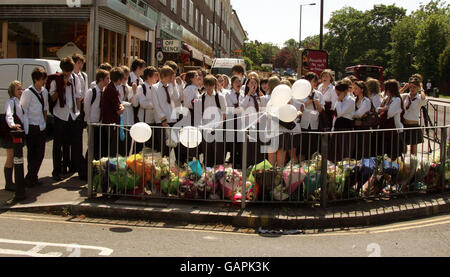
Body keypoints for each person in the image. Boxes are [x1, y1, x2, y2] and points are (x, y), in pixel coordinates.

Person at [48, 57, 82, 181]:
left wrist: (78, 113)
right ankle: (56, 170)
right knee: (58, 145)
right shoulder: (56, 80)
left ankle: (71, 167)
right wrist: (61, 85)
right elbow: (52, 97)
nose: (67, 74)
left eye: (69, 71)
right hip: (60, 114)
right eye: (65, 71)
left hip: (72, 115)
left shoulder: (76, 78)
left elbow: (78, 96)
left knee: (73, 143)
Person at [21, 68, 49, 188]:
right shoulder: (28, 92)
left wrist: (44, 122)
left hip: (41, 126)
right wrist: (26, 127)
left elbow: (45, 108)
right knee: (32, 154)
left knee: (40, 153)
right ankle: (30, 177)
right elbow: (23, 110)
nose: (44, 82)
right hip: (31, 126)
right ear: (36, 80)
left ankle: (33, 175)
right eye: (42, 80)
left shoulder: (44, 92)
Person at [195, 75, 227, 168]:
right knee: (207, 154)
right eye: (206, 85)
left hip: (218, 129)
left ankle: (219, 174)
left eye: (210, 85)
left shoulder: (220, 96)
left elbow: (224, 113)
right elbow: (199, 113)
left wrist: (219, 126)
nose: (208, 87)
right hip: (206, 129)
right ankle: (208, 175)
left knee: (219, 154)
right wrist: (201, 126)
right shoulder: (201, 97)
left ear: (214, 85)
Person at [1, 81, 25, 191]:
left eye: (21, 89)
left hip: (17, 133)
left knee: (16, 157)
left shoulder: (20, 102)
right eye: (18, 89)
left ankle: (16, 181)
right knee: (10, 157)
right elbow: (9, 115)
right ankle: (9, 183)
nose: (21, 91)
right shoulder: (10, 101)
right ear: (12, 91)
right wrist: (12, 125)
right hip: (10, 134)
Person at [152, 66, 180, 157]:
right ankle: (163, 162)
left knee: (173, 143)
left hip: (172, 118)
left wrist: (174, 84)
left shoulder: (171, 86)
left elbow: (176, 98)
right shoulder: (155, 87)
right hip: (162, 120)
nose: (171, 78)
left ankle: (169, 163)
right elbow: (156, 105)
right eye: (170, 76)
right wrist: (162, 118)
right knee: (163, 145)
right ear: (164, 75)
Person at [84, 69, 110, 161]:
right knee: (92, 146)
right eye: (107, 78)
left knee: (100, 146)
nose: (108, 81)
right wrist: (89, 121)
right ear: (101, 79)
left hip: (101, 123)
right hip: (93, 123)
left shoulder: (104, 92)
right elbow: (86, 107)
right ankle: (87, 168)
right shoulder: (92, 92)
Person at [298, 72, 324, 161]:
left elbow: (321, 110)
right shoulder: (301, 94)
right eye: (312, 81)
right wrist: (305, 104)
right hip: (303, 124)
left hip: (314, 124)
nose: (314, 83)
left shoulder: (319, 94)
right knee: (302, 149)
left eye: (315, 81)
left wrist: (318, 104)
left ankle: (311, 167)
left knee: (313, 149)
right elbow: (297, 109)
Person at [377, 79, 405, 160]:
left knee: (393, 154)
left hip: (394, 130)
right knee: (385, 153)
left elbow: (390, 114)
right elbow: (379, 109)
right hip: (386, 130)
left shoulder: (397, 99)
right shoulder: (388, 99)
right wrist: (385, 107)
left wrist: (385, 108)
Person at [133, 66, 159, 151]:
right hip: (144, 119)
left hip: (154, 119)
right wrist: (155, 104)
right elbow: (143, 103)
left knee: (152, 146)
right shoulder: (141, 87)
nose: (157, 78)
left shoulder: (156, 88)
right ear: (148, 77)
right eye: (155, 75)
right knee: (141, 145)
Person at [101, 67, 125, 158]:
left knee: (112, 146)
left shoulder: (111, 88)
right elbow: (119, 110)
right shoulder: (112, 90)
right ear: (119, 79)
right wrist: (122, 108)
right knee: (112, 148)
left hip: (111, 121)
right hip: (111, 122)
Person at [329, 80, 355, 162]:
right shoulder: (339, 100)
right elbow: (336, 114)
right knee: (335, 151)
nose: (337, 95)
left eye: (338, 93)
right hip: (338, 127)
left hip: (345, 127)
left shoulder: (350, 100)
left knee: (344, 149)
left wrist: (339, 101)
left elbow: (340, 113)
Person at [402, 76, 427, 155]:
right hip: (404, 125)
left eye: (414, 87)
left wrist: (422, 88)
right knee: (403, 148)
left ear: (418, 88)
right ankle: (404, 165)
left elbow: (424, 99)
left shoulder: (419, 98)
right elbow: (395, 96)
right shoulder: (406, 96)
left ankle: (413, 165)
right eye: (411, 87)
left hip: (414, 126)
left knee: (413, 149)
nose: (412, 89)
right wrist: (404, 88)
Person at [225, 76, 245, 169]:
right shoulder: (228, 94)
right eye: (236, 81)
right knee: (232, 144)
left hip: (241, 121)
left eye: (240, 81)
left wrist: (237, 107)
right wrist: (238, 108)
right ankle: (232, 163)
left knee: (240, 143)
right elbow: (230, 109)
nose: (239, 83)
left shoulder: (243, 94)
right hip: (231, 121)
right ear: (232, 84)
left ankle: (239, 163)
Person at [352, 81, 372, 159]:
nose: (354, 90)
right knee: (356, 148)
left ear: (362, 89)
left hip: (364, 127)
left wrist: (353, 114)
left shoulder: (366, 100)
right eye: (354, 88)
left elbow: (359, 114)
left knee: (363, 148)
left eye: (356, 88)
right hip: (355, 127)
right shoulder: (354, 99)